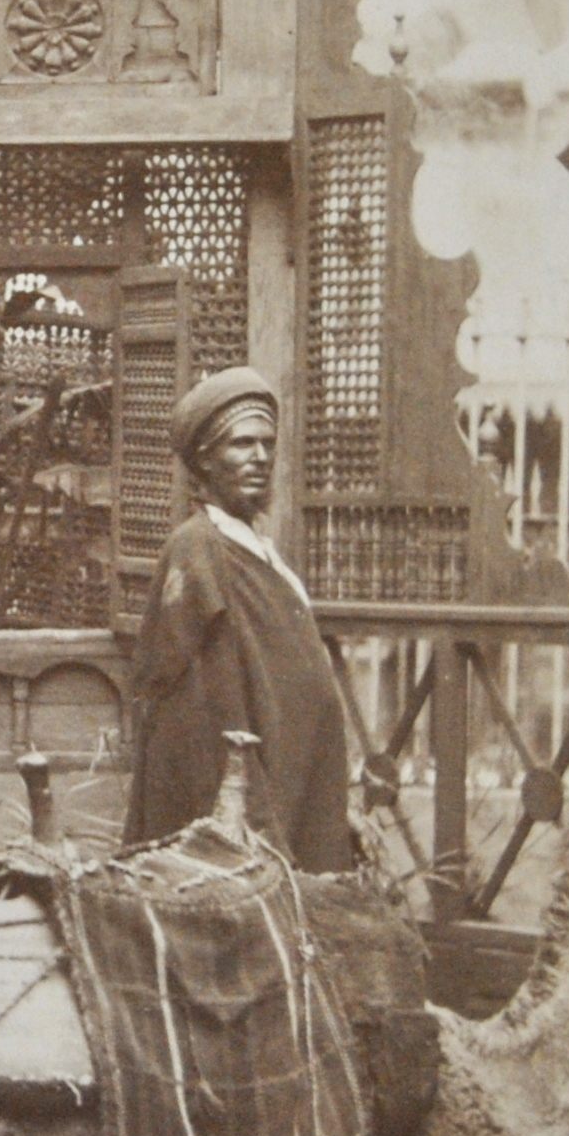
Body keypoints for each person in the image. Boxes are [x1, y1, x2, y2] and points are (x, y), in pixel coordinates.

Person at [122, 366, 357, 871]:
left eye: (267, 445)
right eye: (241, 444)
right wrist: (244, 803)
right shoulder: (197, 549)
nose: (260, 458)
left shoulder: (259, 548)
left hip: (298, 786)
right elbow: (192, 698)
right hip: (248, 797)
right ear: (204, 462)